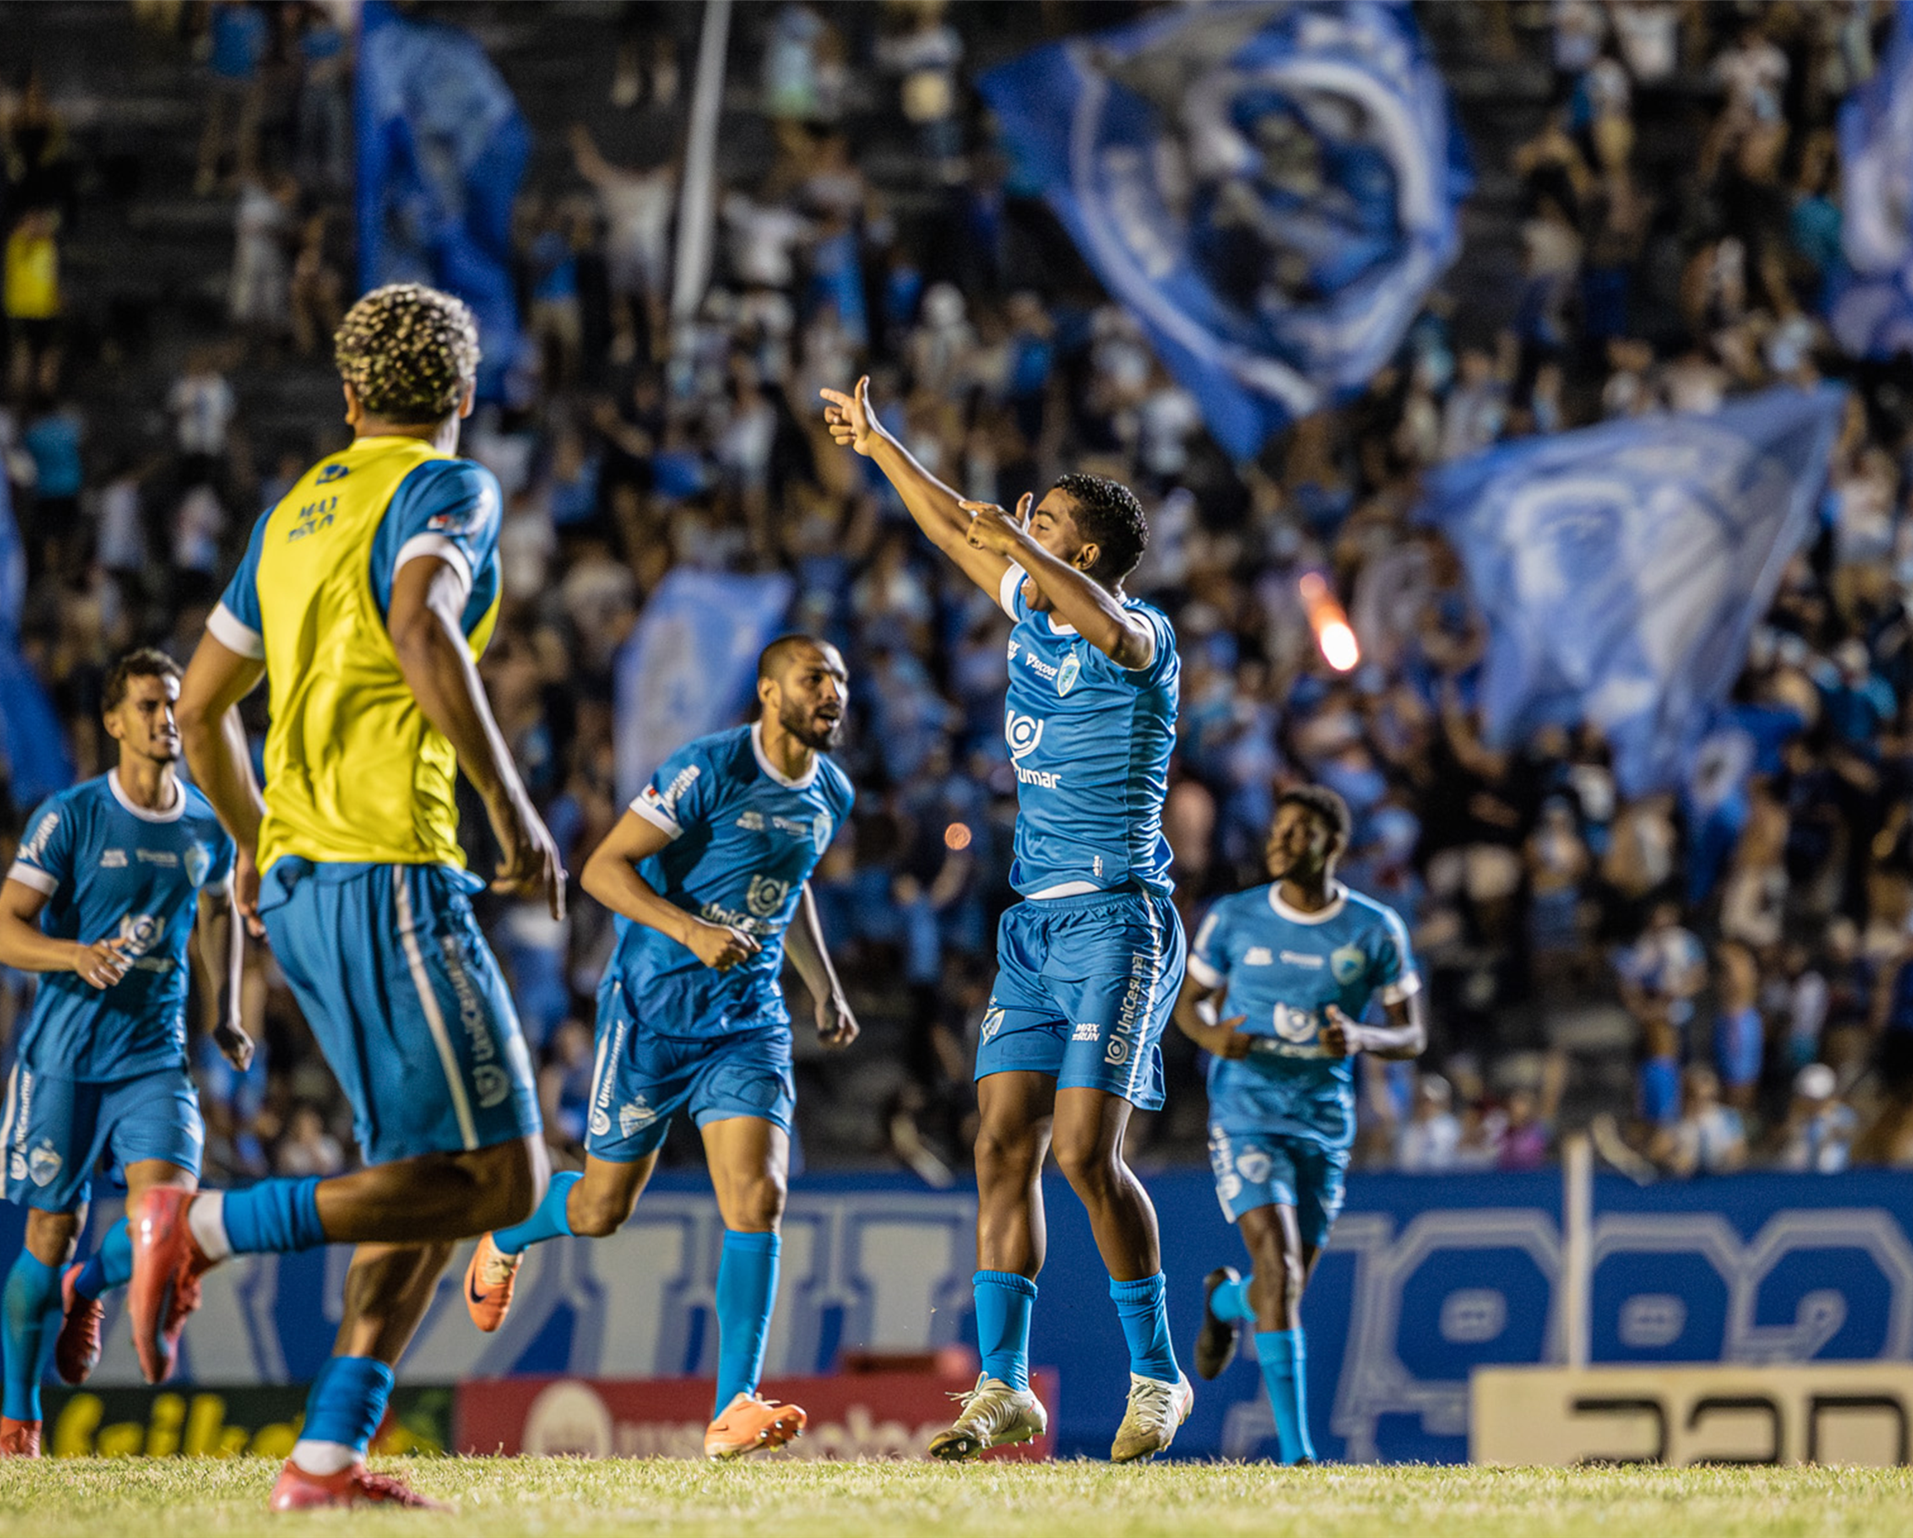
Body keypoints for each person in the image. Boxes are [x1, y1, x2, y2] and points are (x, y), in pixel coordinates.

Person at [153, 282, 566, 1510]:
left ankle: (326, 1455)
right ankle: (207, 1227)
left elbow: (196, 709)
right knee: (509, 1179)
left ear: (346, 398)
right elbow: (424, 627)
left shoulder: (289, 515)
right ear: (462, 394)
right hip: (392, 866)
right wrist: (513, 801)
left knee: (423, 1174)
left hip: (308, 881)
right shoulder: (447, 488)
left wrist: (257, 834)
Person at [822, 376, 1192, 1463]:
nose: (1026, 529)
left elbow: (1096, 614)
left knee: (1084, 1152)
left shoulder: (1141, 638)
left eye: (1050, 526)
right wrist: (882, 442)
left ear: (1089, 553)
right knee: (999, 1143)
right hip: (1033, 927)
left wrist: (1023, 550)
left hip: (1118, 922)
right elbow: (948, 524)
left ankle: (1157, 1370)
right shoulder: (1035, 594)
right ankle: (1000, 1384)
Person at [462, 635, 859, 1461]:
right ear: (767, 692)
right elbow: (602, 871)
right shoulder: (708, 768)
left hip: (747, 1024)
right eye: (815, 678)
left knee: (760, 1199)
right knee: (602, 1210)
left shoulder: (832, 793)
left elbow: (791, 886)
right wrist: (689, 927)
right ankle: (508, 1235)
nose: (834, 692)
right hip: (651, 1012)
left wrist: (823, 986)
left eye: (842, 680)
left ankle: (732, 1408)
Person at [0, 650, 248, 1458]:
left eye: (172, 705)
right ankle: (21, 1419)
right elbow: (2, 930)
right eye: (147, 707)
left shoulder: (206, 823)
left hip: (154, 1058)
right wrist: (73, 955)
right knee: (47, 1234)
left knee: (161, 1226)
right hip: (63, 1059)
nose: (165, 719)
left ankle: (87, 1290)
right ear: (112, 723)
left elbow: (219, 916)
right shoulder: (69, 818)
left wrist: (227, 1011)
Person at [1172, 786, 1424, 1465]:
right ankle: (1297, 1455)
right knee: (1280, 1268)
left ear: (1332, 845)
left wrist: (1365, 1038)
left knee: (1281, 1285)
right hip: (1247, 1112)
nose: (1278, 842)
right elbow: (1188, 1005)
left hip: (1323, 1123)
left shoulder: (1374, 930)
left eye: (1297, 832)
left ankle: (1225, 1302)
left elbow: (1413, 1033)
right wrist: (1211, 1038)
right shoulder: (1234, 918)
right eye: (1276, 830)